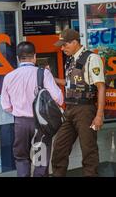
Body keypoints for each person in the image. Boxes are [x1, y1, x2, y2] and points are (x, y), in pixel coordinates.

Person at [0, 42, 63, 177]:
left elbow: (5, 106)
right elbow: (58, 98)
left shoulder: (9, 77)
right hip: (41, 125)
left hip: (20, 124)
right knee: (40, 161)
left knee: (21, 158)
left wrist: (18, 109)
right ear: (34, 57)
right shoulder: (43, 73)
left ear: (18, 58)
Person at [51, 29, 106, 177]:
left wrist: (99, 115)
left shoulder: (91, 58)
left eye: (64, 45)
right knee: (59, 148)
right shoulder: (71, 60)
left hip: (85, 110)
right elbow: (70, 84)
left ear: (75, 42)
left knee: (88, 150)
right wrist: (51, 78)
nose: (62, 48)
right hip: (69, 110)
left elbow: (101, 87)